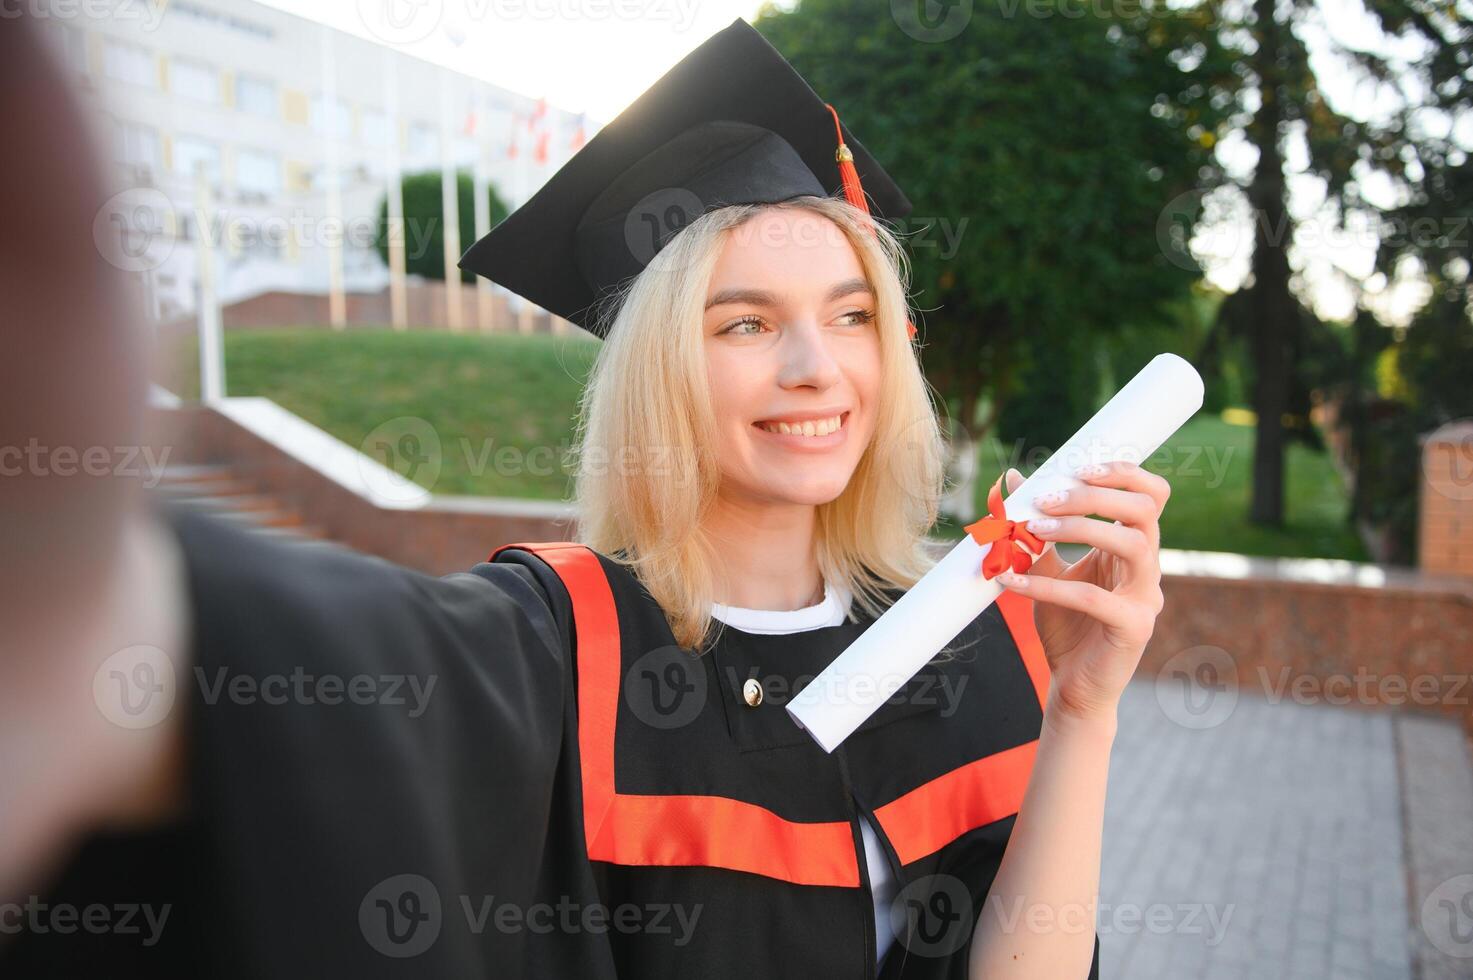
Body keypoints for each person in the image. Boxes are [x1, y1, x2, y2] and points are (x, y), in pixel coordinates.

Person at [1, 16, 1169, 979]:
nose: (820, 368)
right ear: (660, 363)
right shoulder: (558, 644)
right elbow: (259, 669)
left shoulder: (952, 630)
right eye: (747, 322)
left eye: (851, 313)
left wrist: (1082, 710)